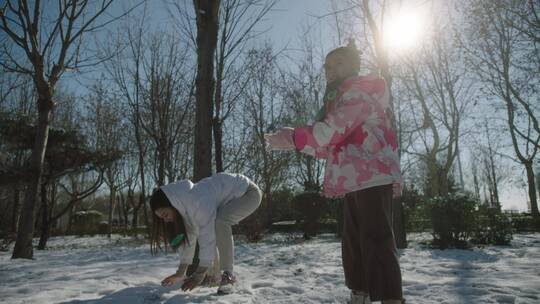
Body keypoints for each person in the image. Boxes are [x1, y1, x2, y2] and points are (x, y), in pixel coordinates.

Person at [264, 40, 404, 304]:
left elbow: (330, 131)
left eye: (338, 63)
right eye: (326, 66)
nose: (330, 70)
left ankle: (390, 299)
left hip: (373, 173)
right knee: (352, 241)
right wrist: (293, 142)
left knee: (376, 238)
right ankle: (359, 293)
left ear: (354, 66)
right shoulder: (338, 99)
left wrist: (294, 138)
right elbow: (326, 144)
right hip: (354, 179)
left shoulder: (358, 93)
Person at [149, 172, 262, 295]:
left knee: (220, 222)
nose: (166, 220)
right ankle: (216, 277)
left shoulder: (197, 200)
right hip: (232, 199)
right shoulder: (185, 210)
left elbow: (207, 238)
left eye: (165, 214)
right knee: (215, 224)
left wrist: (200, 273)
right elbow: (191, 239)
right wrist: (180, 273)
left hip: (249, 193)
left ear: (173, 204)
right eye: (162, 218)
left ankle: (228, 276)